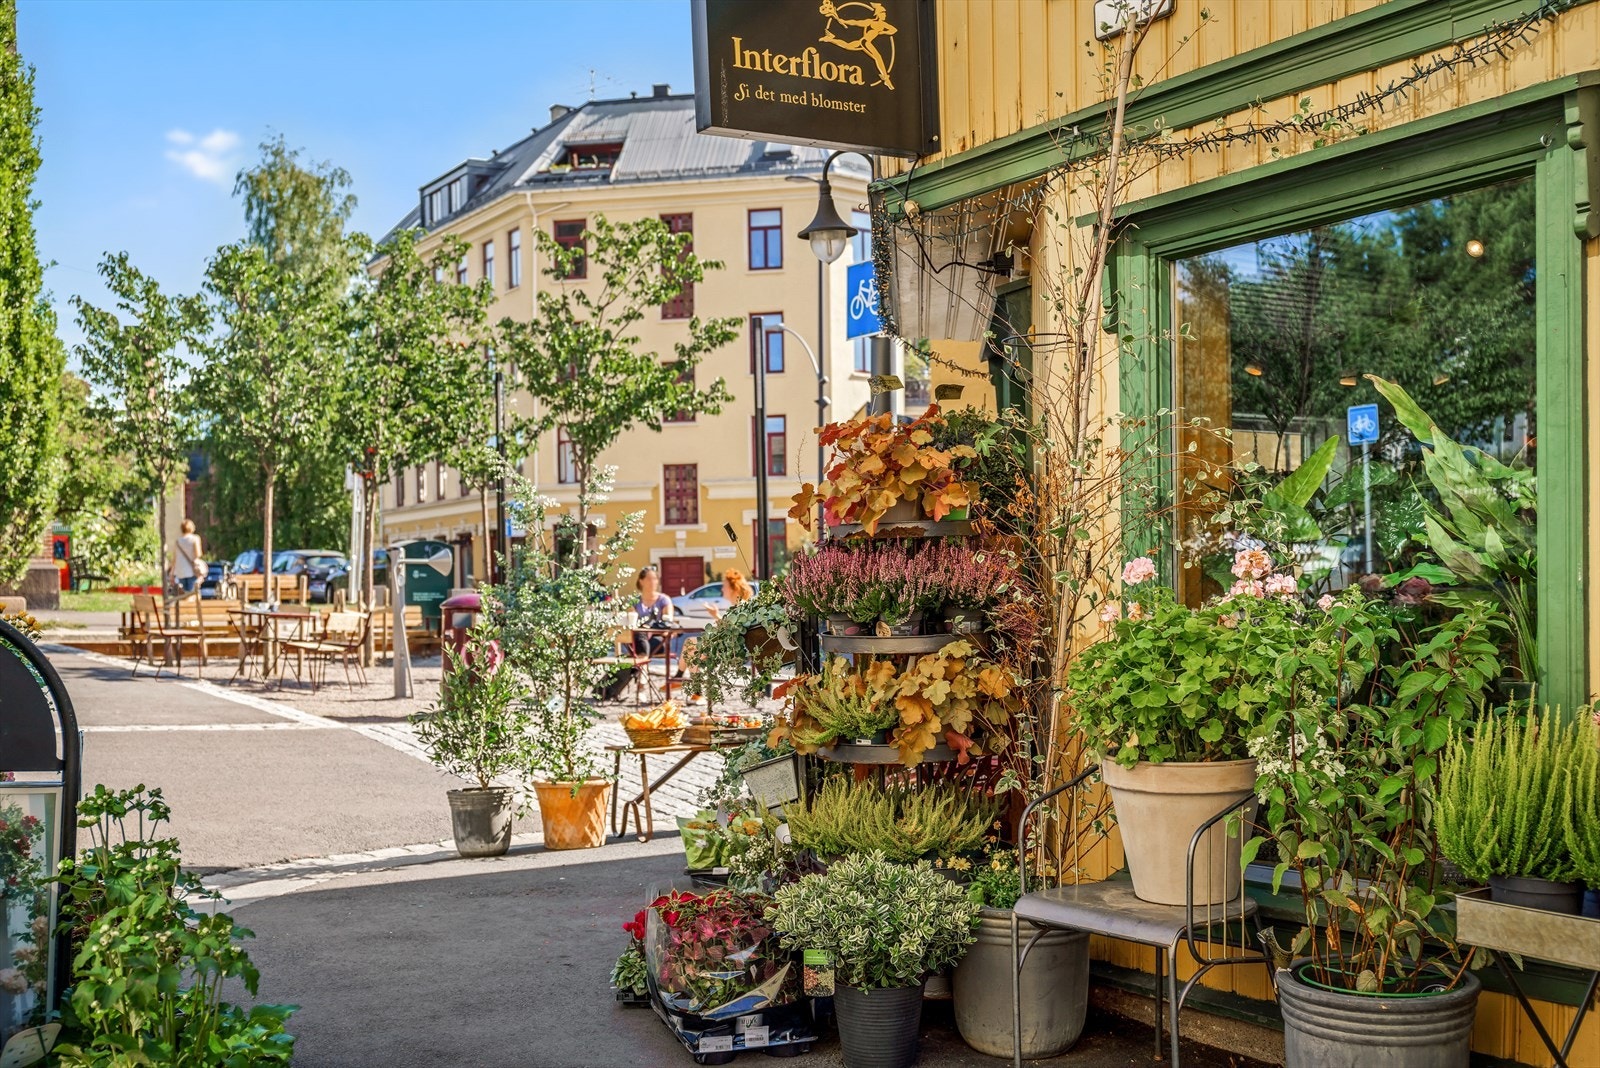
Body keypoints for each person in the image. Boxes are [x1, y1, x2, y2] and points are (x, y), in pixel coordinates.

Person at [631, 566, 678, 657]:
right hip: (638, 637)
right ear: (641, 581)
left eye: (655, 579)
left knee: (641, 642)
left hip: (659, 639)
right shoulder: (635, 601)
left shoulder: (664, 600)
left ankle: (641, 665)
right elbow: (631, 621)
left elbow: (668, 622)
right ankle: (641, 665)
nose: (653, 582)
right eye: (649, 579)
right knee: (639, 637)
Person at [171, 519, 205, 595]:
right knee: (192, 595)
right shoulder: (195, 539)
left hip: (180, 572)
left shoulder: (177, 541)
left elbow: (174, 558)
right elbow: (198, 554)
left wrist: (172, 573)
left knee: (182, 596)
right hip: (192, 571)